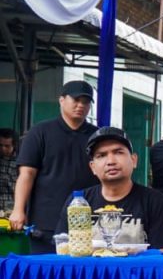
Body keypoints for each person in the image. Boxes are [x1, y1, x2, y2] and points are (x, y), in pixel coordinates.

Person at [10, 80, 99, 253]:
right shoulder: (40, 132)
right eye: (76, 100)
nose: (81, 105)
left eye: (86, 102)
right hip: (45, 221)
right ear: (62, 100)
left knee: (84, 269)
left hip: (89, 220)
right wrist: (18, 209)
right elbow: (26, 174)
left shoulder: (97, 136)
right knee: (46, 268)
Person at [55, 127, 163, 249]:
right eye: (101, 155)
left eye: (118, 152)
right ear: (92, 167)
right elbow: (63, 248)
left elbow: (161, 253)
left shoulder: (155, 202)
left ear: (134, 160)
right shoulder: (78, 203)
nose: (111, 161)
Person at [0, 128, 17, 212]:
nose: (3, 148)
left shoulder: (21, 161)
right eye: (0, 145)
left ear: (14, 145)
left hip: (11, 209)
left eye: (7, 146)